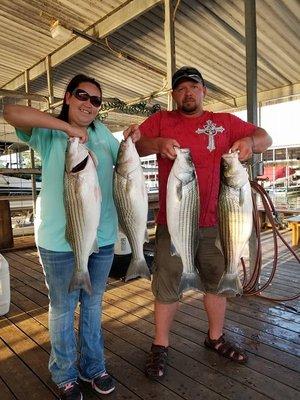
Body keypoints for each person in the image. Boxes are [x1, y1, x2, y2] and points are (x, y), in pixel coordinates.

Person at [124, 66, 272, 379]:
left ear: (204, 91)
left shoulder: (225, 122)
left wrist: (250, 144)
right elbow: (135, 144)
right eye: (181, 89)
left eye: (194, 87)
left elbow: (265, 137)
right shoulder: (162, 120)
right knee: (167, 282)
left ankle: (215, 337)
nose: (188, 93)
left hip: (219, 222)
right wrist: (158, 143)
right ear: (174, 94)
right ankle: (160, 345)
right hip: (173, 222)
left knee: (217, 281)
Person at [4, 74, 138, 400]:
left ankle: (93, 367)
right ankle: (64, 373)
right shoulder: (49, 131)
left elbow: (126, 156)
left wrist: (134, 138)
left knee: (92, 307)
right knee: (63, 309)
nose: (89, 104)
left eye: (96, 100)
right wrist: (67, 129)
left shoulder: (102, 133)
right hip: (57, 242)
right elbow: (10, 111)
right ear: (67, 97)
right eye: (82, 95)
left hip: (102, 239)